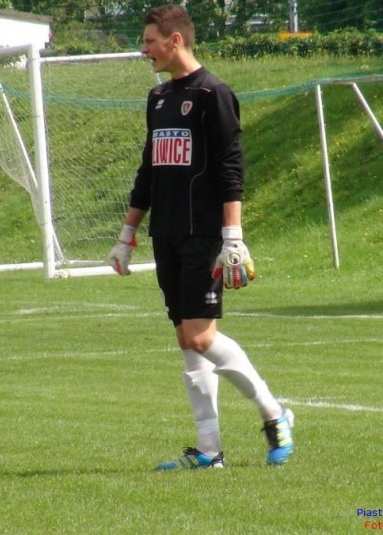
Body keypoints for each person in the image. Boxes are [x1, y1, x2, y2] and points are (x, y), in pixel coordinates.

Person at [107, 4, 293, 470]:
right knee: (186, 340)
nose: (143, 49)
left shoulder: (214, 94)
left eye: (150, 41)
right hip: (165, 233)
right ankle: (209, 450)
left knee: (201, 336)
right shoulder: (157, 98)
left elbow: (231, 169)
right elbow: (148, 171)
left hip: (204, 235)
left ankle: (274, 413)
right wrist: (127, 233)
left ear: (175, 41)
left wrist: (233, 238)